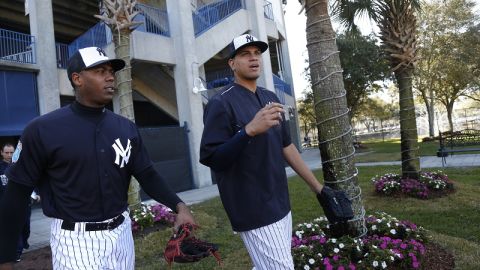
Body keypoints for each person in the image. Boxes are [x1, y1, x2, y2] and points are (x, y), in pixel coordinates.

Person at [0, 47, 195, 270]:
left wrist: (179, 206)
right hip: (75, 241)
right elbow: (16, 195)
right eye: (100, 71)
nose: (110, 76)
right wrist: (5, 257)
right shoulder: (42, 129)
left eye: (111, 71)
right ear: (77, 79)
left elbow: (147, 174)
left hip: (122, 235)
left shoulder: (125, 128)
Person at [200, 34, 351, 269]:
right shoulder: (220, 103)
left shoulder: (269, 97)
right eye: (244, 54)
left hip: (279, 200)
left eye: (257, 53)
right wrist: (248, 130)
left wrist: (319, 189)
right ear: (232, 63)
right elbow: (213, 158)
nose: (253, 58)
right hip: (252, 207)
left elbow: (286, 146)